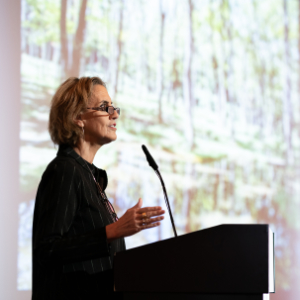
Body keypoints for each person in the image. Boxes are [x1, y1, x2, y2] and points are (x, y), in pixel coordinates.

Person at [32, 76, 165, 299]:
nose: (114, 114)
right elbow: (48, 249)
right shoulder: (65, 171)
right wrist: (114, 230)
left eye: (113, 107)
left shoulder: (90, 177)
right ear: (77, 117)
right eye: (105, 107)